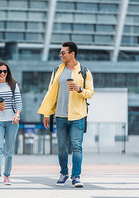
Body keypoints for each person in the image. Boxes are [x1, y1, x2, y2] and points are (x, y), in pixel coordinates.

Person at [37, 42, 94, 188]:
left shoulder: (84, 71)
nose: (61, 55)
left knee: (76, 146)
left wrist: (79, 89)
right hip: (60, 115)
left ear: (72, 54)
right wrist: (46, 113)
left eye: (63, 53)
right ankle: (63, 173)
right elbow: (51, 93)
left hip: (78, 116)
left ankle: (76, 176)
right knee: (61, 147)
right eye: (60, 53)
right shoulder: (57, 70)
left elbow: (91, 93)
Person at [0, 60, 22, 186]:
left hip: (12, 120)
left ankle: (7, 175)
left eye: (5, 71)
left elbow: (18, 102)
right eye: (0, 71)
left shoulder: (13, 85)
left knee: (9, 150)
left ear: (8, 72)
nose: (2, 73)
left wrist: (17, 115)